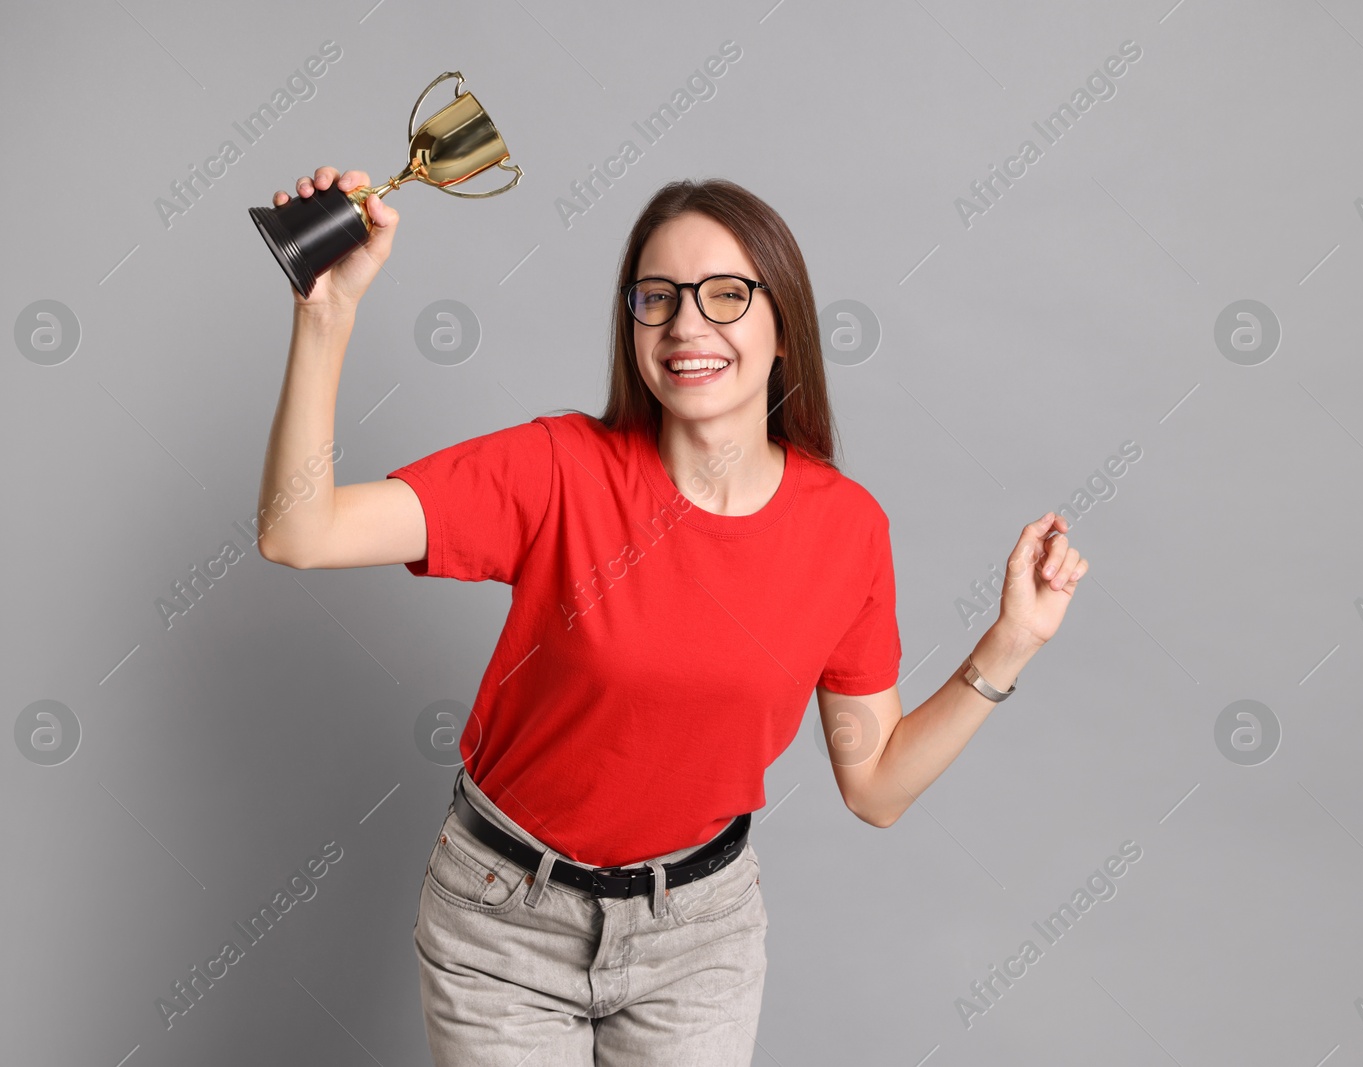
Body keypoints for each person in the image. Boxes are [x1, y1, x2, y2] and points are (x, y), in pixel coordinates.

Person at [255, 166, 1089, 1066]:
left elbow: (876, 786)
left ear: (784, 329)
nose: (688, 323)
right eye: (658, 298)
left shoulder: (845, 528)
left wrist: (1009, 644)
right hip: (504, 924)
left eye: (726, 295)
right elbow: (299, 530)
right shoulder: (559, 470)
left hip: (698, 938)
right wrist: (326, 312)